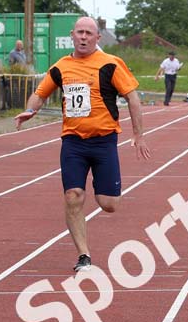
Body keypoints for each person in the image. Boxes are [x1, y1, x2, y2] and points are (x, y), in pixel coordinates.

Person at [13, 17, 151, 272]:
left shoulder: (111, 64)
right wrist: (30, 111)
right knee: (73, 196)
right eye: (80, 33)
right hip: (73, 143)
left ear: (98, 38)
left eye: (89, 33)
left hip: (104, 142)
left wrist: (138, 134)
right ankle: (84, 255)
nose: (84, 37)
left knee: (109, 204)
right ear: (72, 36)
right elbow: (40, 93)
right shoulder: (61, 66)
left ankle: (105, 186)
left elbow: (132, 97)